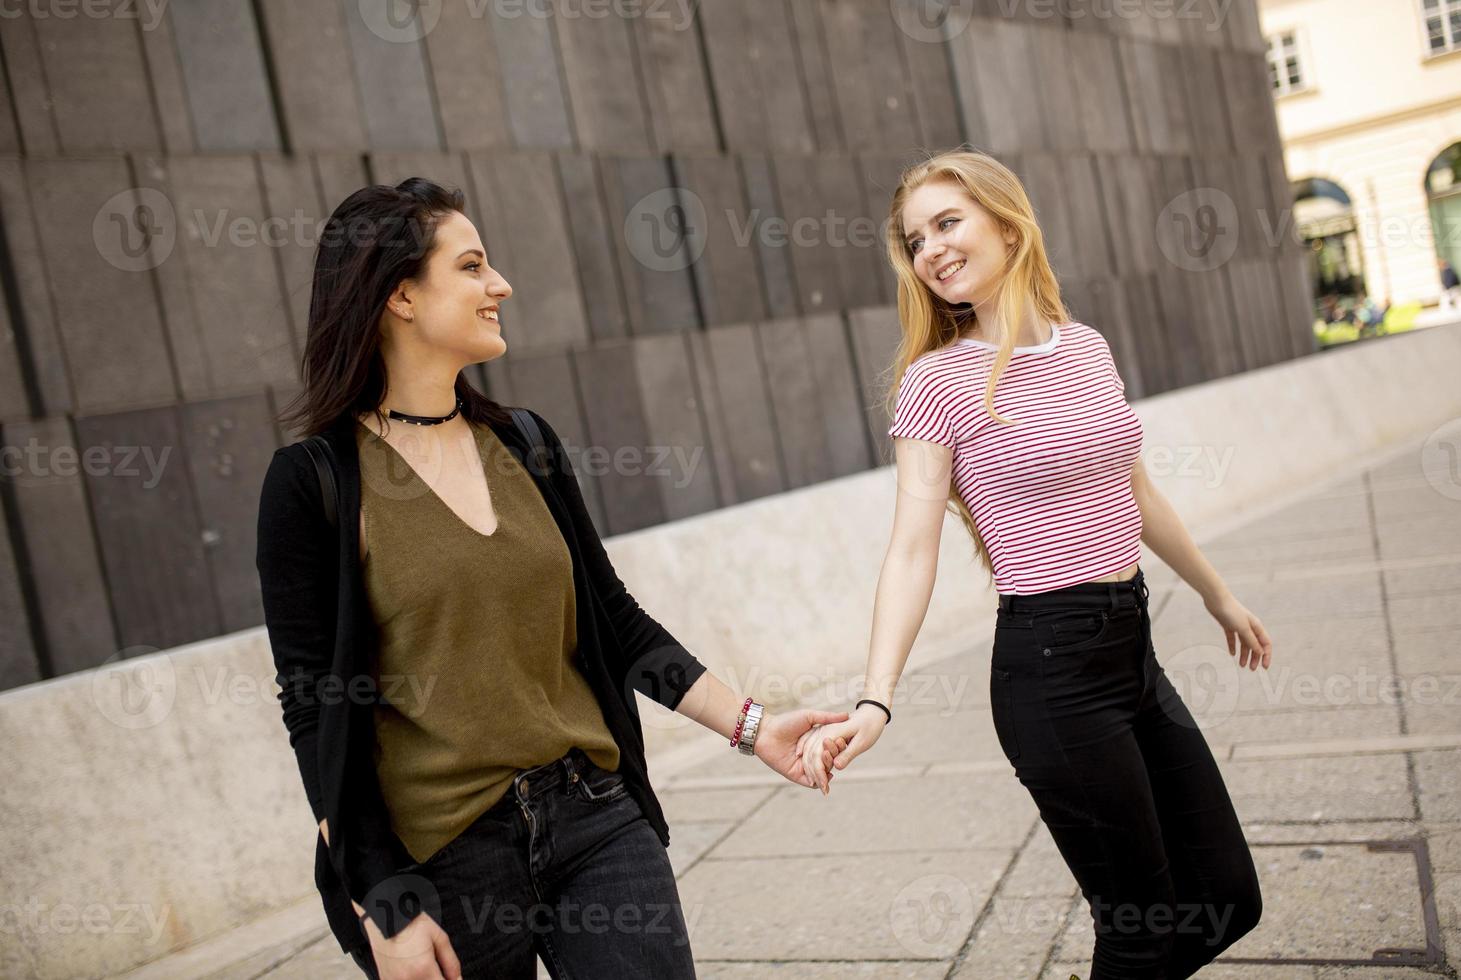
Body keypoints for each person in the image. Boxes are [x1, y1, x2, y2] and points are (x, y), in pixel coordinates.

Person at [255, 179, 850, 979]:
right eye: (471, 266)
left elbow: (615, 620)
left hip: (593, 817)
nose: (499, 285)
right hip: (443, 858)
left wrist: (753, 728)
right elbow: (314, 715)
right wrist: (383, 902)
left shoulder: (526, 443)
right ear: (400, 293)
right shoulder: (314, 483)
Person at [800, 149, 1271, 978]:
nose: (932, 250)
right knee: (1141, 930)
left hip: (1133, 650)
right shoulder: (936, 383)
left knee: (1229, 896)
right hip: (1051, 675)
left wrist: (1218, 594)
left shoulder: (1084, 346)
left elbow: (1138, 491)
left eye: (949, 222)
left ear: (1008, 225)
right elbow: (912, 546)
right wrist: (877, 697)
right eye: (916, 239)